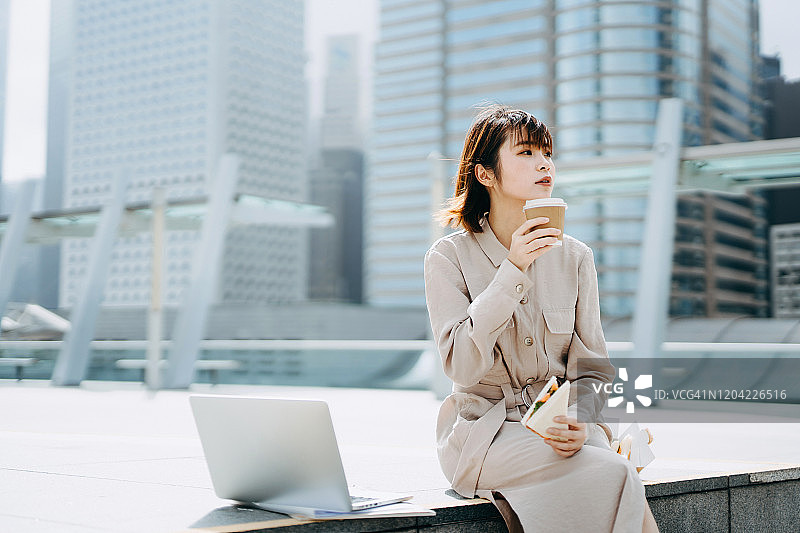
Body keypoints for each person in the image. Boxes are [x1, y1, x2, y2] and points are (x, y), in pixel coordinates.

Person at [423, 105, 659, 533]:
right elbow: (461, 366)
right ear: (485, 174)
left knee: (609, 470)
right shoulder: (448, 257)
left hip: (563, 425)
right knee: (616, 473)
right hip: (487, 434)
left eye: (547, 153)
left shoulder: (575, 256)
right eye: (526, 153)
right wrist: (512, 270)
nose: (544, 163)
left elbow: (593, 369)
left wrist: (581, 420)